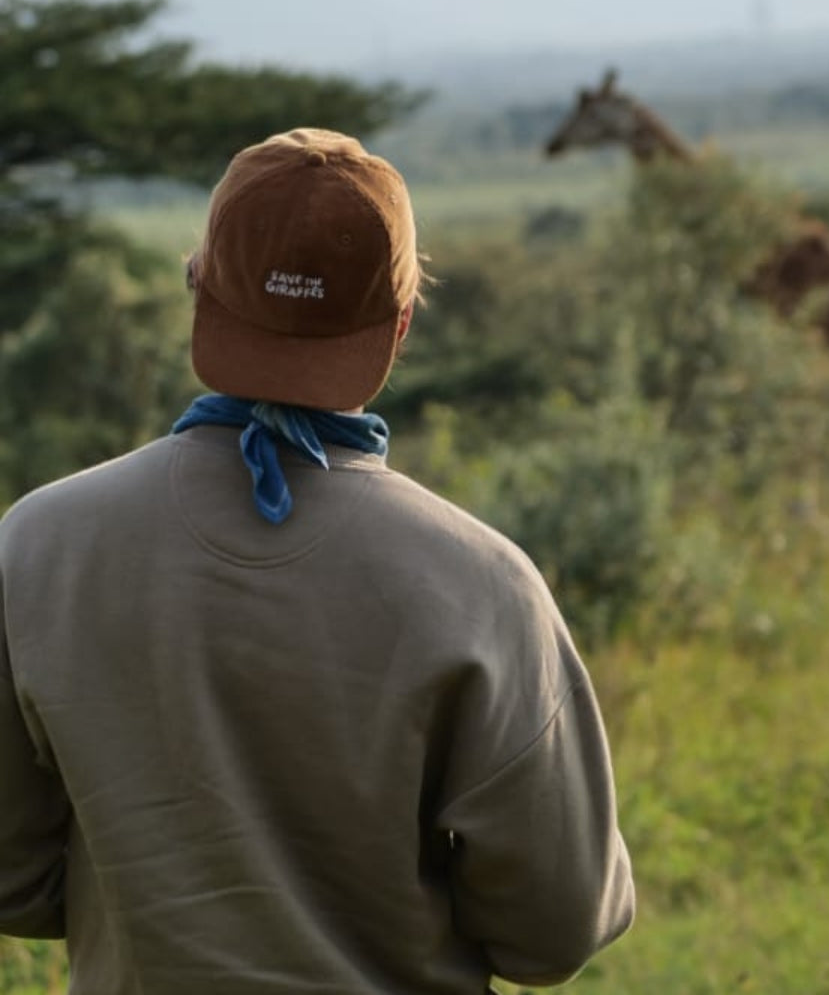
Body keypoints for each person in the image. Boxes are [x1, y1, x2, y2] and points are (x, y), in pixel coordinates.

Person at [0, 127, 634, 994]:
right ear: (401, 324)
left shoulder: (38, 542)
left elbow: (10, 876)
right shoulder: (483, 584)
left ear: (198, 289)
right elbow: (554, 931)